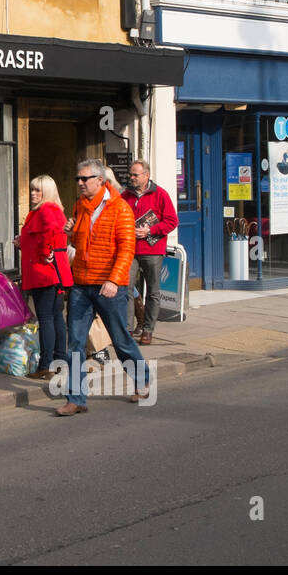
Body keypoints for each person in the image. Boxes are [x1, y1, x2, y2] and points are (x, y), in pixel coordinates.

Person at [56, 159, 148, 416]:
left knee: (120, 340)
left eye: (85, 179)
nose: (80, 183)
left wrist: (114, 279)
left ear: (101, 180)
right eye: (78, 179)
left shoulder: (120, 209)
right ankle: (76, 399)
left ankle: (142, 379)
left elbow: (127, 248)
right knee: (74, 342)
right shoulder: (80, 207)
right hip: (82, 284)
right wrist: (71, 232)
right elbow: (84, 243)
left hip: (109, 285)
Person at [18, 174, 71, 381]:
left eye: (37, 190)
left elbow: (50, 233)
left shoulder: (47, 210)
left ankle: (46, 365)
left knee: (47, 318)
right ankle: (58, 361)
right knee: (56, 317)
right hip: (49, 272)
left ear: (46, 192)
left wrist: (46, 252)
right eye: (32, 189)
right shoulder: (50, 210)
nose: (33, 193)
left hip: (44, 273)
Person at [121, 159, 179, 345]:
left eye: (135, 175)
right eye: (131, 174)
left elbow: (172, 221)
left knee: (153, 291)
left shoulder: (160, 194)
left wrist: (150, 231)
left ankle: (148, 330)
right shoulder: (125, 196)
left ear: (146, 176)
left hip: (152, 250)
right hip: (130, 250)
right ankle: (128, 329)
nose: (132, 178)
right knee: (126, 288)